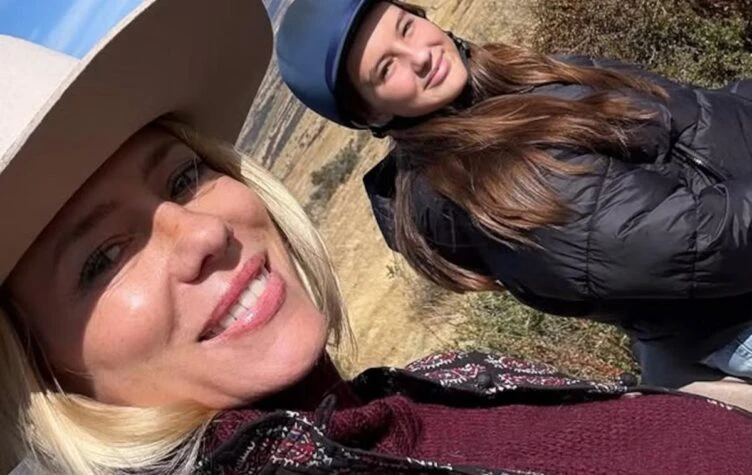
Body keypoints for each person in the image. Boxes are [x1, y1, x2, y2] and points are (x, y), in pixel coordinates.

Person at [2, 1, 752, 474]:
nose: (201, 232)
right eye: (102, 258)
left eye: (182, 178)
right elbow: (681, 243)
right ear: (34, 366)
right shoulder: (470, 187)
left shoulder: (433, 387)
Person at [276, 0, 752, 384]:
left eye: (406, 27)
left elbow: (698, 112)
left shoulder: (510, 81)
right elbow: (702, 241)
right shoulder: (494, 184)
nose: (418, 56)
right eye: (385, 69)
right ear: (373, 113)